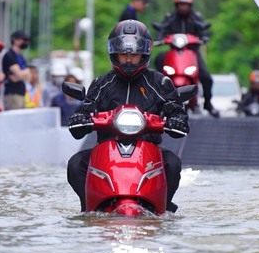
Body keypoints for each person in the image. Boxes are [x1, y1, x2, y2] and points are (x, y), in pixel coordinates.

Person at [66, 20, 189, 212]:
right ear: (115, 54)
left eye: (134, 54)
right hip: (106, 150)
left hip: (148, 151)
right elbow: (87, 107)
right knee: (75, 165)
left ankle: (162, 209)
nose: (129, 59)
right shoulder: (101, 83)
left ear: (144, 54)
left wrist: (177, 119)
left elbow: (174, 108)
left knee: (173, 163)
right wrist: (80, 117)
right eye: (124, 54)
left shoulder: (160, 83)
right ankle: (88, 209)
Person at [154, 0, 219, 118]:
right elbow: (162, 29)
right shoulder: (170, 18)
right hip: (173, 54)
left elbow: (202, 30)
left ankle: (208, 103)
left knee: (206, 77)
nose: (183, 7)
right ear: (176, 5)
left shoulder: (196, 18)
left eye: (185, 5)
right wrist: (159, 37)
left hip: (192, 54)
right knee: (157, 68)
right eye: (180, 5)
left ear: (190, 5)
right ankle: (157, 102)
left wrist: (204, 37)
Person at [1, 30, 32, 110]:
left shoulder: (20, 57)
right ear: (15, 40)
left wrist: (22, 74)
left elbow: (28, 76)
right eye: (23, 40)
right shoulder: (9, 55)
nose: (25, 42)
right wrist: (24, 73)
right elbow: (20, 74)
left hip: (21, 93)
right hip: (12, 94)